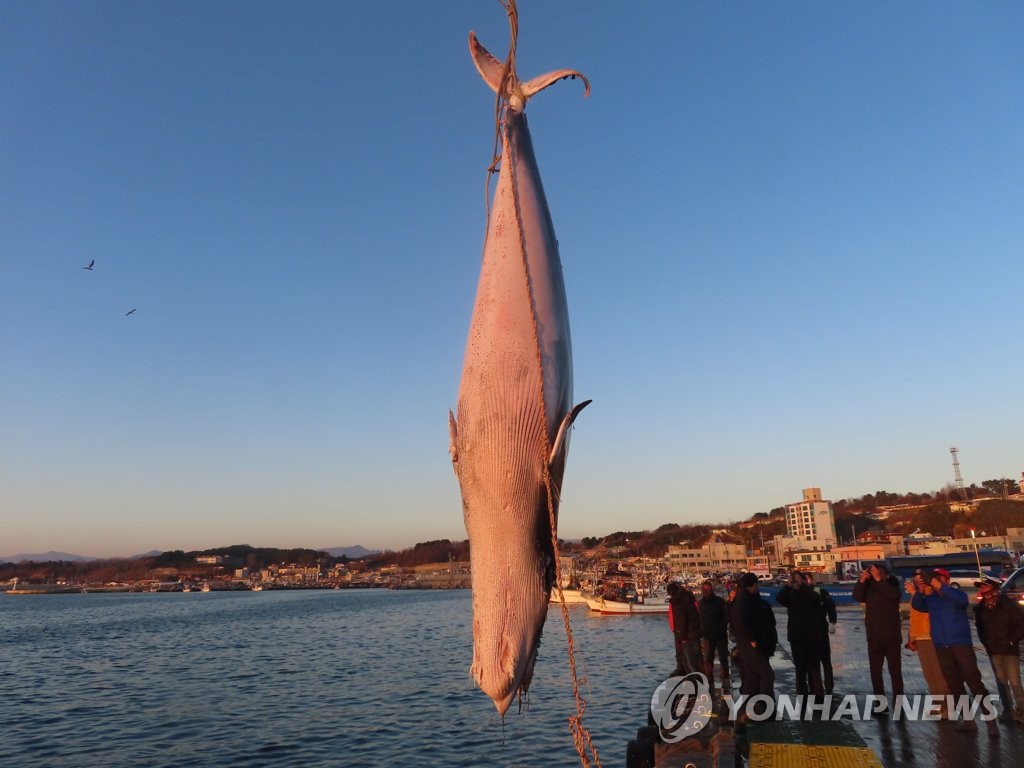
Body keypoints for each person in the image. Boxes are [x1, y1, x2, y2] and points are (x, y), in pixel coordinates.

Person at [911, 568, 997, 735]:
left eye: (938, 578)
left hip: (960, 644)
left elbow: (961, 601)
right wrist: (922, 591)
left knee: (974, 682)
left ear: (946, 580)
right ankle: (968, 719)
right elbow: (917, 605)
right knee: (954, 685)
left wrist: (937, 585)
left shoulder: (956, 595)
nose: (934, 581)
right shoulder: (931, 598)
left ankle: (990, 719)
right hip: (942, 646)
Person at [852, 562, 904, 713]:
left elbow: (892, 595)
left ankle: (899, 705)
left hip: (892, 637)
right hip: (874, 637)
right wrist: (862, 580)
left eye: (879, 573)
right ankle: (881, 704)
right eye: (875, 572)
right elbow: (856, 596)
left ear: (886, 575)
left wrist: (878, 579)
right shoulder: (869, 589)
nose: (876, 575)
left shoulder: (892, 587)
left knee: (895, 673)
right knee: (875, 672)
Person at [975, 576, 1024, 723]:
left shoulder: (1007, 604)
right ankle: (1008, 710)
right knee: (1001, 682)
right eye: (980, 587)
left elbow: (1021, 625)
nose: (981, 590)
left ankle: (1021, 710)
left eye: (984, 587)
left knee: (1015, 682)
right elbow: (980, 628)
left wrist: (1010, 641)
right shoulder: (981, 608)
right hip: (993, 650)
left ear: (994, 589)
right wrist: (986, 643)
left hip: (1009, 650)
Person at [731, 572, 777, 722]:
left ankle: (747, 711)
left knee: (752, 678)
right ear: (751, 586)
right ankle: (764, 707)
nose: (757, 587)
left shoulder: (749, 601)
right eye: (755, 585)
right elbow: (740, 623)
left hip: (754, 644)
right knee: (767, 675)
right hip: (751, 645)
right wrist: (751, 639)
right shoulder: (743, 603)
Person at [905, 571, 951, 716]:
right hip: (920, 638)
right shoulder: (917, 596)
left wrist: (916, 593)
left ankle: (948, 707)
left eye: (921, 580)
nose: (919, 583)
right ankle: (939, 705)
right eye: (917, 581)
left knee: (939, 674)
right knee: (929, 674)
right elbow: (914, 619)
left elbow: (925, 612)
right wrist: (911, 639)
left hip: (932, 637)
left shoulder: (931, 596)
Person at [777, 571, 826, 697]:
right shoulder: (791, 596)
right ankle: (801, 695)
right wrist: (788, 586)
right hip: (797, 637)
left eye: (798, 579)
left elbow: (816, 599)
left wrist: (802, 585)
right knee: (800, 668)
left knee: (814, 667)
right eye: (795, 579)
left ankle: (818, 693)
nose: (796, 582)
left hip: (812, 636)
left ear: (804, 581)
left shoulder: (811, 593)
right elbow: (779, 598)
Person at [807, 573, 838, 694]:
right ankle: (814, 686)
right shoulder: (800, 593)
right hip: (807, 631)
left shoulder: (820, 591)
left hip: (820, 629)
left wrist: (832, 621)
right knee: (811, 662)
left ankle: (829, 686)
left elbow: (830, 606)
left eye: (808, 578)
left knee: (825, 661)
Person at [698, 580, 730, 692]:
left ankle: (725, 680)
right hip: (707, 636)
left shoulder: (720, 601)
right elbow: (700, 618)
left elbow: (726, 617)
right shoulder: (701, 603)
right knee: (707, 659)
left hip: (720, 635)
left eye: (708, 589)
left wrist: (721, 628)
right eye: (704, 589)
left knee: (723, 658)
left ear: (712, 590)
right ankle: (709, 681)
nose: (706, 591)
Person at [666, 581, 702, 676]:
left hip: (684, 633)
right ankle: (685, 673)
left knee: (689, 661)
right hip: (688, 631)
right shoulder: (688, 598)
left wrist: (682, 637)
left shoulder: (678, 602)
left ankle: (697, 682)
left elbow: (681, 619)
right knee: (688, 658)